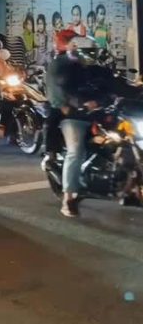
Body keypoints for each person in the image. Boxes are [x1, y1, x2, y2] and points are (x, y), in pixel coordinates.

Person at [45, 29, 112, 218]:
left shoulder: (94, 68)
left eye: (93, 53)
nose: (90, 56)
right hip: (73, 114)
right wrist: (78, 104)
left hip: (96, 113)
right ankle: (69, 198)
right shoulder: (61, 65)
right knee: (76, 150)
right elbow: (59, 89)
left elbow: (112, 82)